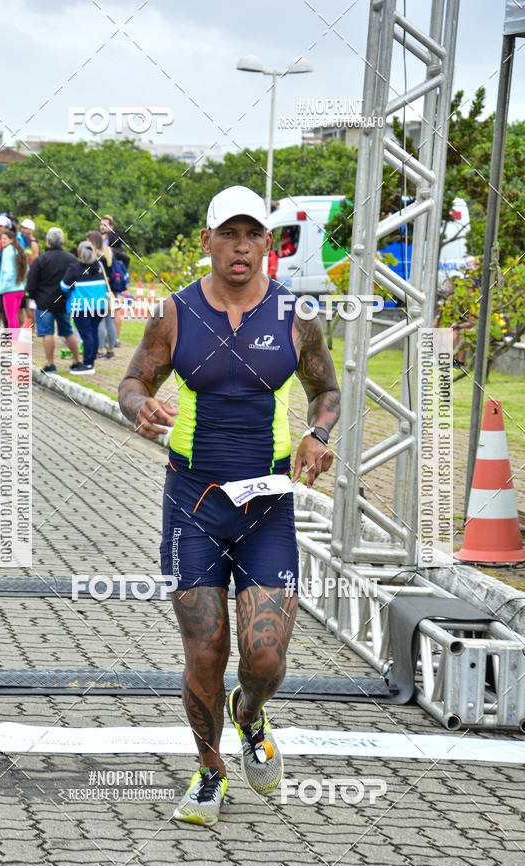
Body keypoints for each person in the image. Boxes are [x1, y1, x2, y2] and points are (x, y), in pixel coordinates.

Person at [118, 185, 340, 826]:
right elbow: (134, 381)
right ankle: (210, 771)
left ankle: (251, 714)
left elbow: (327, 391)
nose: (241, 247)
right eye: (228, 235)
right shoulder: (176, 313)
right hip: (192, 503)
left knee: (265, 656)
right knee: (205, 650)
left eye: (254, 235)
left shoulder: (296, 316)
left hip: (267, 504)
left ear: (267, 243)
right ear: (209, 240)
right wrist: (141, 408)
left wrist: (319, 435)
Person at [26, 227, 85, 374]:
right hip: (64, 302)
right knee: (67, 331)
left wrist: (34, 297)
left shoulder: (41, 260)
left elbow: (31, 282)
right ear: (63, 241)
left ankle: (51, 364)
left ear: (47, 242)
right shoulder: (71, 259)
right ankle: (78, 361)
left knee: (47, 333)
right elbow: (77, 280)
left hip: (44, 302)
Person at [60, 241, 107, 373]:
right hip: (99, 306)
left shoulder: (75, 268)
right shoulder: (99, 266)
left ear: (79, 253)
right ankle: (91, 361)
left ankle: (87, 364)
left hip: (81, 307)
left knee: (86, 335)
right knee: (93, 332)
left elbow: (64, 286)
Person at [86, 230, 117, 360]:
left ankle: (99, 350)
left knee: (99, 322)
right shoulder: (108, 253)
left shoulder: (94, 256)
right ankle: (110, 350)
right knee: (109, 321)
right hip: (108, 291)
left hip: (97, 291)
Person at [0, 230, 28, 329]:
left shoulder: (7, 251)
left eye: (5, 239)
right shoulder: (18, 250)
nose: (2, 241)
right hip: (20, 289)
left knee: (11, 317)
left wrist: (4, 286)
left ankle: (12, 342)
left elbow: (8, 271)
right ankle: (16, 341)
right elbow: (26, 270)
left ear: (11, 240)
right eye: (2, 238)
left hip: (10, 289)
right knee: (14, 316)